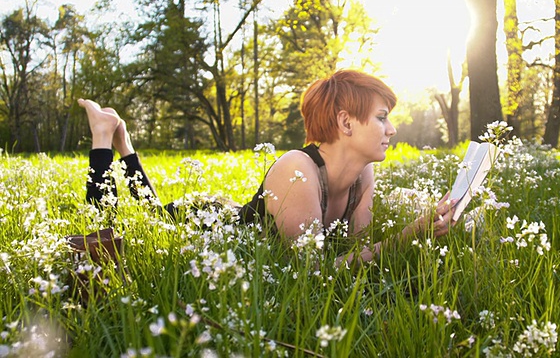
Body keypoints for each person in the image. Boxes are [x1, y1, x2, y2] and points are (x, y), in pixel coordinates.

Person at [79, 70, 457, 267]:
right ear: (346, 123)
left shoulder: (364, 174)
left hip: (233, 213)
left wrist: (420, 224)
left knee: (148, 209)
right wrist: (409, 234)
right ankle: (105, 136)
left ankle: (122, 139)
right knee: (133, 219)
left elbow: (355, 254)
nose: (391, 129)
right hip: (207, 221)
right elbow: (316, 273)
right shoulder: (297, 168)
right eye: (381, 117)